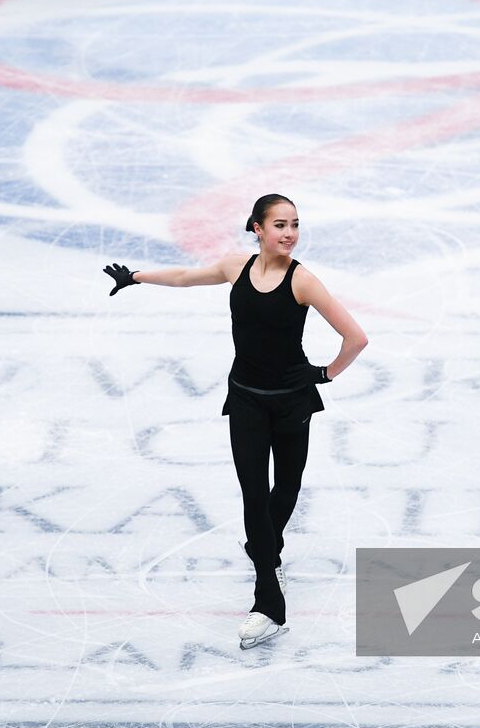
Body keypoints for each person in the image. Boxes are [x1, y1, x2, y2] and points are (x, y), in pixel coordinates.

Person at [102, 193, 368, 649]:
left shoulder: (304, 281)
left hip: (291, 402)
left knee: (285, 488)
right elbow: (187, 277)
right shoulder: (235, 268)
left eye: (295, 225)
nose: (290, 233)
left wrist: (324, 374)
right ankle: (269, 601)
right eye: (280, 224)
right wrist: (137, 277)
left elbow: (356, 337)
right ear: (257, 228)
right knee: (252, 494)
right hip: (244, 398)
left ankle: (267, 547)